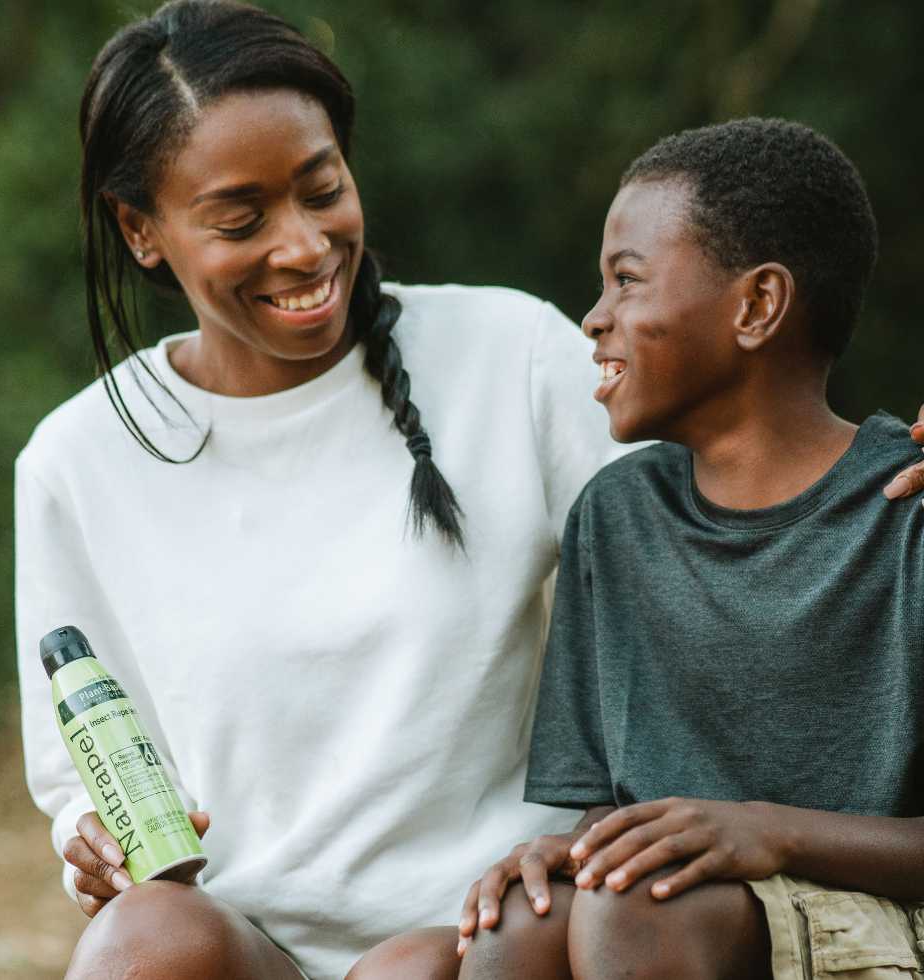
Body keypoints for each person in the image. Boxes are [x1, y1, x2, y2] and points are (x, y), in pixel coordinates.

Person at [14, 3, 924, 978]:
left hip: (490, 929)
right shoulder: (74, 462)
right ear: (140, 230)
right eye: (241, 220)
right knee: (138, 944)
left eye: (323, 190)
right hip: (246, 934)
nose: (304, 246)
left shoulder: (509, 354)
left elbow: (755, 480)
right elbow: (79, 773)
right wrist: (89, 839)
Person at [369, 118, 922, 980]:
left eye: (627, 281)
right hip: (660, 922)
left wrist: (766, 831)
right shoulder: (616, 517)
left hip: (878, 920)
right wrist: (574, 848)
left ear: (757, 306)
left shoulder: (908, 511)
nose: (594, 319)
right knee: (486, 938)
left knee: (631, 908)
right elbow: (610, 805)